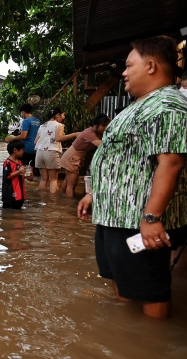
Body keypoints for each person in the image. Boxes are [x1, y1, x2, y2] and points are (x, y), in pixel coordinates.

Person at [77, 36, 187, 319]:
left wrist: (151, 218)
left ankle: (153, 342)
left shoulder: (168, 105)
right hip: (117, 216)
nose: (123, 73)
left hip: (138, 223)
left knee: (150, 289)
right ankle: (127, 336)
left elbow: (171, 163)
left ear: (150, 66)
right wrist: (95, 193)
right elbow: (125, 159)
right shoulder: (143, 104)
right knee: (124, 281)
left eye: (128, 65)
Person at [59, 113, 110, 197]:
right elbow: (103, 146)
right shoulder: (90, 133)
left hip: (73, 156)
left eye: (106, 126)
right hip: (72, 157)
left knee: (68, 180)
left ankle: (62, 198)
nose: (105, 128)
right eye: (103, 125)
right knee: (72, 184)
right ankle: (68, 205)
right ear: (95, 124)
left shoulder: (96, 132)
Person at [34, 107, 79, 193]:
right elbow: (59, 138)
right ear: (57, 115)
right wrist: (74, 134)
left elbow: (36, 141)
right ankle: (52, 202)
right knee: (53, 180)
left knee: (43, 179)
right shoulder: (59, 125)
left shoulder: (42, 125)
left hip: (39, 153)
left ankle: (42, 200)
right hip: (51, 152)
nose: (63, 117)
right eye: (63, 115)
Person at [5, 104, 41, 179]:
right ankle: (31, 181)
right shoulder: (38, 121)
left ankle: (25, 185)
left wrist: (10, 139)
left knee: (22, 166)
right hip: (37, 148)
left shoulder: (26, 121)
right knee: (31, 167)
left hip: (27, 148)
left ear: (23, 112)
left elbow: (23, 136)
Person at [2, 140, 26, 209]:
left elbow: (21, 175)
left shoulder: (19, 162)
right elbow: (7, 176)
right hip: (10, 195)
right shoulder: (7, 163)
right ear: (15, 150)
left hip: (20, 195)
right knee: (9, 213)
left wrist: (27, 177)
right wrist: (19, 171)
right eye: (21, 149)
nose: (23, 151)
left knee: (19, 215)